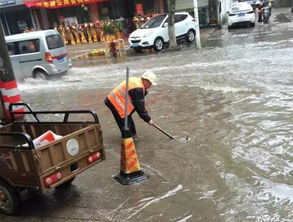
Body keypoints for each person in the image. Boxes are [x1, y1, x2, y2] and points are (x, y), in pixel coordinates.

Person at [104, 70, 157, 139]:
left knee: (130, 126)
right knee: (126, 127)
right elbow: (139, 106)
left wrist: (142, 115)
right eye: (150, 84)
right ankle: (128, 142)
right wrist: (148, 119)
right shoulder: (137, 88)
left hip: (116, 102)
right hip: (116, 103)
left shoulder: (137, 82)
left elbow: (137, 104)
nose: (150, 86)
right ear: (146, 80)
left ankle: (133, 137)